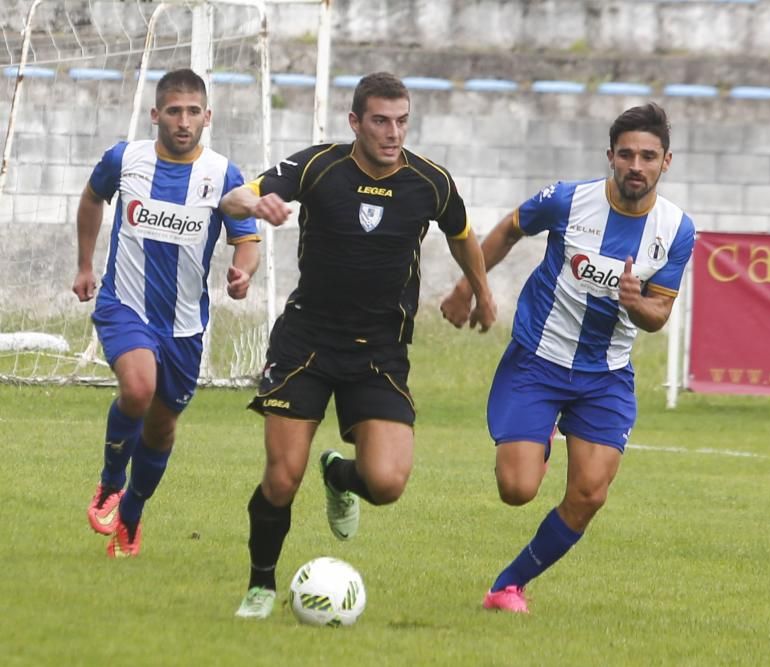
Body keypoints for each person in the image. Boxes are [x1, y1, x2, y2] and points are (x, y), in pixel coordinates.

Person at [220, 71, 497, 620]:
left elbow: (462, 233)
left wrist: (480, 293)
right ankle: (261, 587)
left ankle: (339, 475)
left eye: (401, 121)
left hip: (380, 352)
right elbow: (232, 199)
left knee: (387, 483)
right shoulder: (318, 167)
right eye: (380, 121)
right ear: (355, 122)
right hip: (307, 341)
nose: (393, 133)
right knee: (281, 477)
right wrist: (254, 208)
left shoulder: (430, 181)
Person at [440, 102, 695, 613]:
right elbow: (511, 227)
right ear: (610, 157)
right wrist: (469, 287)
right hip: (539, 358)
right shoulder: (567, 199)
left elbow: (659, 314)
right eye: (626, 155)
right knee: (516, 489)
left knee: (590, 494)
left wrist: (635, 301)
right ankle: (540, 437)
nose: (636, 166)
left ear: (666, 162)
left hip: (606, 376)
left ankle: (507, 587)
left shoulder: (677, 229)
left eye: (648, 156)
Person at [73, 68, 261, 558]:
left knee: (161, 427)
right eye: (173, 111)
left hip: (183, 324)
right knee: (137, 387)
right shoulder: (125, 159)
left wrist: (243, 273)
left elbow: (247, 242)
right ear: (156, 114)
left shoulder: (223, 175)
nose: (183, 121)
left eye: (193, 112)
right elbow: (92, 198)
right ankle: (111, 482)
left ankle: (131, 514)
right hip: (124, 304)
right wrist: (84, 264)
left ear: (207, 117)